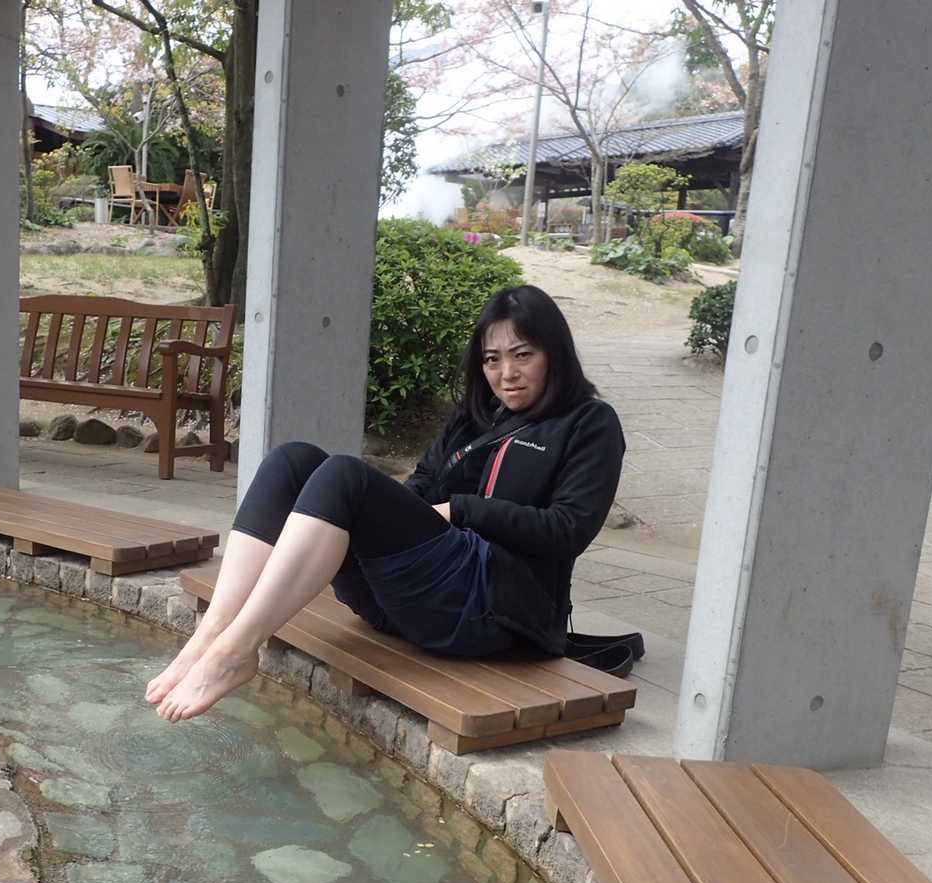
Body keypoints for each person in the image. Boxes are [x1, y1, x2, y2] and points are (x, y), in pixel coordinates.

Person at [147, 284, 626, 722]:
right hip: (408, 599)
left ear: (554, 353)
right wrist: (393, 515)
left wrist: (461, 510)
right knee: (293, 461)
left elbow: (568, 531)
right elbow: (422, 485)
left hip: (490, 611)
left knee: (345, 475)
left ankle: (235, 651)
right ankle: (210, 636)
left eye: (523, 355)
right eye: (492, 360)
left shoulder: (589, 424)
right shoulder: (476, 418)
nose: (507, 375)